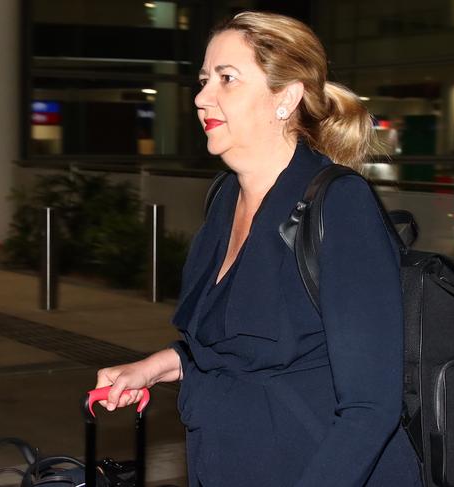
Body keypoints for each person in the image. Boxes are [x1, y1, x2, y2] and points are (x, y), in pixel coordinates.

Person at [96, 11, 423, 487]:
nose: (203, 96)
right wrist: (160, 366)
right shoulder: (224, 196)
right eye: (205, 79)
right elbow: (239, 345)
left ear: (285, 98)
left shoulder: (339, 203)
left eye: (227, 79)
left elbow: (371, 409)